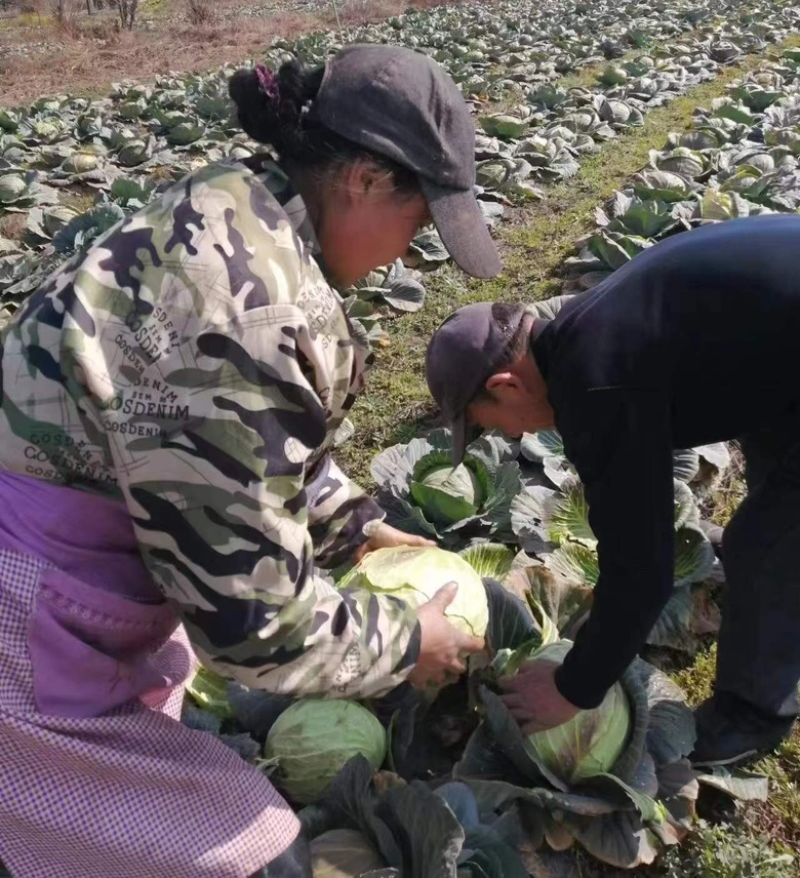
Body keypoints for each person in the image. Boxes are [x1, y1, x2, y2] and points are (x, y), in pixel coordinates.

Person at [0, 44, 500, 878]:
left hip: (74, 571)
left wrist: (361, 531)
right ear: (366, 181)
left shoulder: (241, 202)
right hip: (21, 629)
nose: (411, 255)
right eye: (419, 224)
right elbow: (254, 630)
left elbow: (243, 448)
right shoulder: (251, 315)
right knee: (252, 856)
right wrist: (411, 639)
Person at [424, 215, 800, 768]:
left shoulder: (599, 380)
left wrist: (575, 686)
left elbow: (643, 568)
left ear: (506, 385)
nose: (506, 436)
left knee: (762, 547)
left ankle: (753, 715)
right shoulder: (582, 327)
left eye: (486, 423)